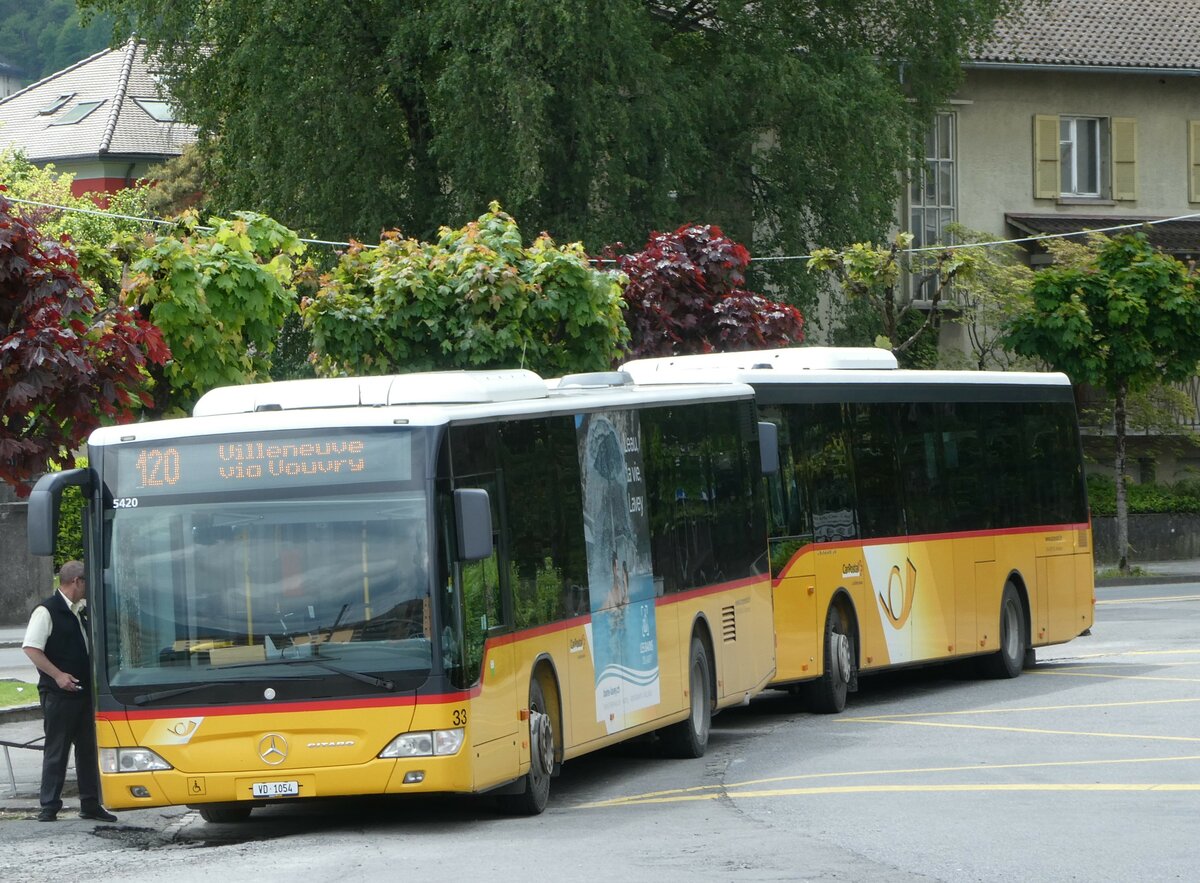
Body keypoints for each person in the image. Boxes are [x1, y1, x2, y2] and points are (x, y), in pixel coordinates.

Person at [22, 560, 117, 823]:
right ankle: (49, 805)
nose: (90, 587)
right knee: (57, 749)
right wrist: (58, 675)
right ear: (77, 582)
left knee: (87, 750)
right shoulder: (47, 610)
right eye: (87, 581)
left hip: (84, 692)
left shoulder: (81, 610)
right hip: (59, 694)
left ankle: (90, 804)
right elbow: (31, 648)